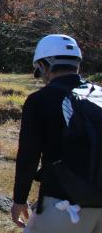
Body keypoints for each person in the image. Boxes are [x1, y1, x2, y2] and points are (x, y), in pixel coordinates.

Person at [11, 34, 102, 232]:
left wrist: (19, 200)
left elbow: (29, 156)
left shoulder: (40, 100)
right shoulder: (98, 94)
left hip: (64, 204)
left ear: (44, 65)